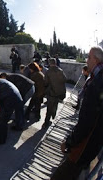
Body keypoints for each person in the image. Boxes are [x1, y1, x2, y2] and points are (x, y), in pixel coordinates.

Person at [51, 46, 103, 180]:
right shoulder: (96, 79)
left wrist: (69, 142)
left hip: (85, 145)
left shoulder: (97, 84)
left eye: (89, 58)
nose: (86, 61)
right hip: (94, 143)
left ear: (96, 60)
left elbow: (86, 121)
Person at [43, 58, 67, 128]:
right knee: (55, 105)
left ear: (50, 63)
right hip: (59, 92)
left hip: (52, 92)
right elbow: (65, 79)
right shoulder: (60, 70)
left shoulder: (48, 72)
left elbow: (46, 82)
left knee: (49, 108)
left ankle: (46, 122)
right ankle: (53, 115)